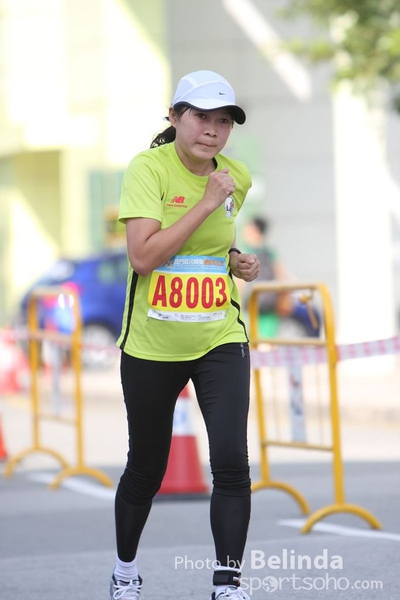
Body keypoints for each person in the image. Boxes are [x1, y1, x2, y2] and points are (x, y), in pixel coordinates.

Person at [109, 70, 260, 600]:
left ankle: (228, 584)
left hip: (219, 336)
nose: (213, 130)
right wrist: (204, 201)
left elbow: (212, 245)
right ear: (174, 117)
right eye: (200, 117)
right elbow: (144, 257)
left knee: (232, 462)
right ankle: (125, 571)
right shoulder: (147, 169)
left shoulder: (237, 176)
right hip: (152, 344)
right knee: (146, 469)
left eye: (224, 121)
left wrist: (236, 260)